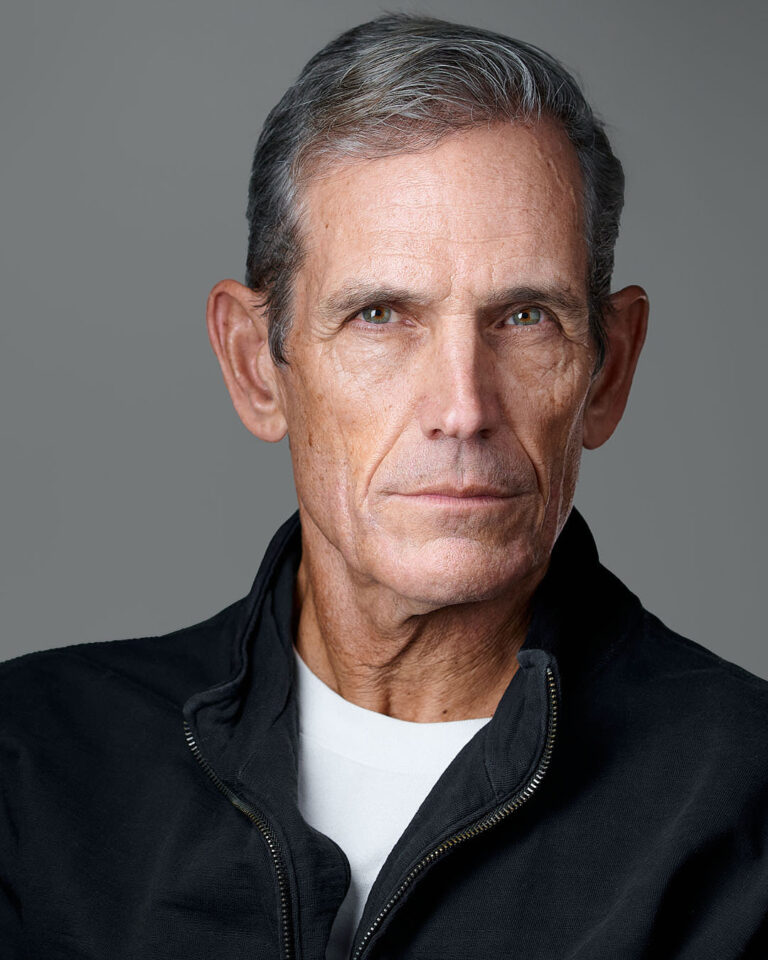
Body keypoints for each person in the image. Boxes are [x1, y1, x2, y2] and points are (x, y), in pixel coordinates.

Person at [1, 13, 766, 959]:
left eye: (525, 317)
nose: (461, 406)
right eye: (379, 316)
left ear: (609, 374)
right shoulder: (31, 766)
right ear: (255, 365)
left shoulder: (746, 801)